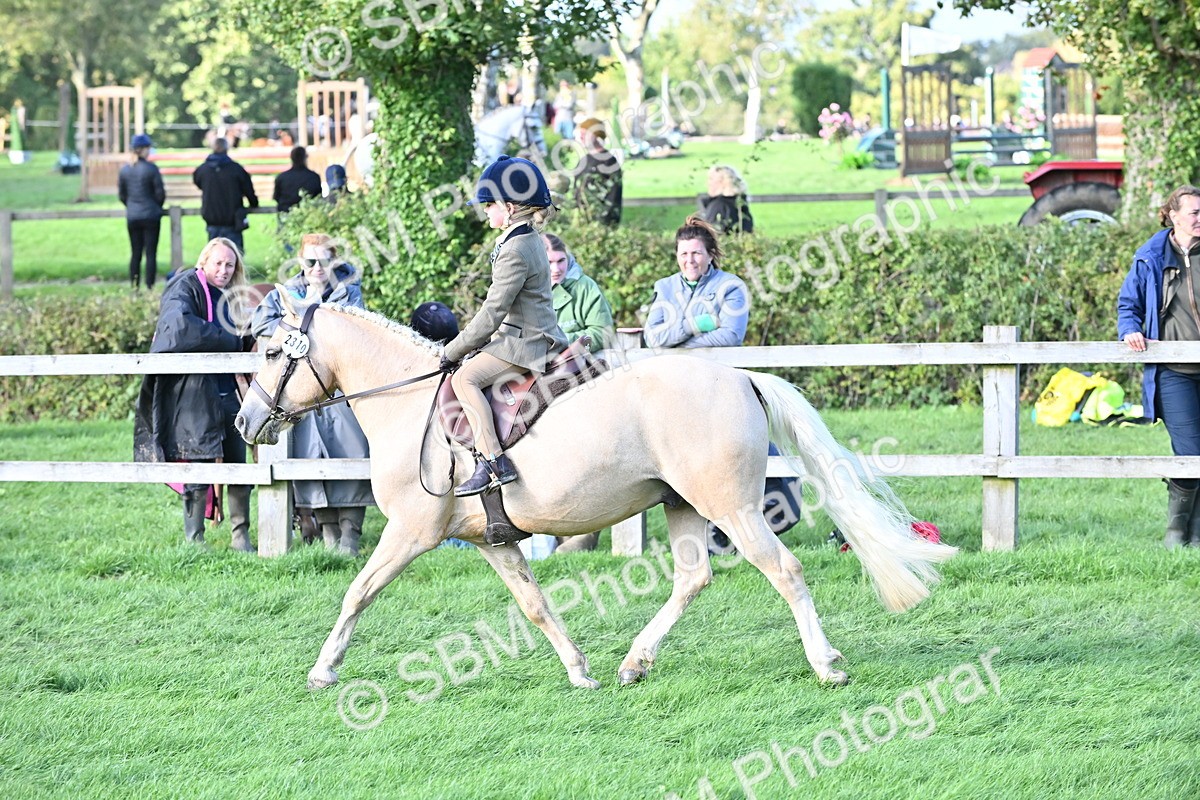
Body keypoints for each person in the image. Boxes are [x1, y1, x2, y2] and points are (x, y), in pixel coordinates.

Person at [644, 216, 800, 549]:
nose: (690, 261)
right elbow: (654, 335)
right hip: (678, 388)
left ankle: (782, 507)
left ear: (710, 254)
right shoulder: (665, 287)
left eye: (697, 254)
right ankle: (714, 534)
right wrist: (697, 323)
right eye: (683, 254)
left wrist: (677, 343)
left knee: (740, 450)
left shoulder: (731, 287)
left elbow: (730, 334)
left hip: (721, 385)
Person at [440, 155, 566, 498]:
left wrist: (452, 351)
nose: (484, 211)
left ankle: (495, 462)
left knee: (464, 378)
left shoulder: (515, 249)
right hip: (524, 336)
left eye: (488, 204)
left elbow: (492, 312)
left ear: (509, 207)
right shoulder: (525, 238)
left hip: (526, 344)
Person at [251, 234, 374, 556]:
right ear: (301, 262)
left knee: (351, 455)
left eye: (324, 261)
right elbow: (259, 324)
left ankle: (351, 535)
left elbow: (359, 333)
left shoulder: (350, 292)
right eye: (310, 261)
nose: (317, 268)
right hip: (302, 392)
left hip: (340, 393)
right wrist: (294, 324)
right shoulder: (286, 294)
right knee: (310, 458)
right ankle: (328, 534)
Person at [133, 238, 255, 550]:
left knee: (238, 461)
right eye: (218, 263)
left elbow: (240, 337)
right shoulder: (185, 286)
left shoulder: (230, 296)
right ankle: (194, 540)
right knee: (198, 461)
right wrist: (227, 339)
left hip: (225, 388)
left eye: (230, 265)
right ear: (204, 262)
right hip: (192, 392)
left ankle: (241, 537)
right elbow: (179, 326)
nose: (224, 270)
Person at [1118, 184, 1200, 549]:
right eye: (1195, 213)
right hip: (1174, 374)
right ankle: (1176, 531)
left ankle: (1195, 535)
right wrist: (1130, 330)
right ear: (1174, 215)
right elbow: (1128, 304)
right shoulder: (1150, 255)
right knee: (1189, 451)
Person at [542, 232, 613, 353]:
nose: (556, 269)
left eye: (561, 261)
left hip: (578, 362)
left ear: (568, 258)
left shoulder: (586, 286)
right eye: (549, 262)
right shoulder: (523, 288)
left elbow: (603, 333)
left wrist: (560, 342)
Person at [117, 133, 166, 290]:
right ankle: (150, 286)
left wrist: (131, 206)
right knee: (151, 253)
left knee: (135, 253)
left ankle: (134, 286)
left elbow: (122, 195)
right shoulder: (152, 169)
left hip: (133, 215)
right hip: (151, 215)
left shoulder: (125, 170)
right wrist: (156, 206)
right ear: (144, 149)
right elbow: (160, 194)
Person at [193, 138, 258, 252]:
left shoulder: (203, 170)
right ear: (227, 149)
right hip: (232, 220)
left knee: (214, 257)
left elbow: (198, 182)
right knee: (235, 257)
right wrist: (254, 203)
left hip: (212, 219)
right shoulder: (236, 169)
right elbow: (248, 189)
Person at [572, 118, 622, 227]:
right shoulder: (583, 161)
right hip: (582, 222)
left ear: (596, 134)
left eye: (585, 134)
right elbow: (576, 191)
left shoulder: (608, 162)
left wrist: (603, 220)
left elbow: (613, 195)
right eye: (580, 134)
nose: (581, 137)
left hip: (601, 222)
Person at [698, 165, 754, 235]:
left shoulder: (718, 206)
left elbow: (708, 236)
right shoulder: (740, 205)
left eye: (711, 179)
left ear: (724, 183)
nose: (708, 183)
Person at [273, 146, 322, 217]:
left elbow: (276, 197)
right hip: (308, 215)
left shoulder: (282, 177)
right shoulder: (314, 177)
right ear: (305, 158)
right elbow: (318, 197)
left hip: (286, 213)